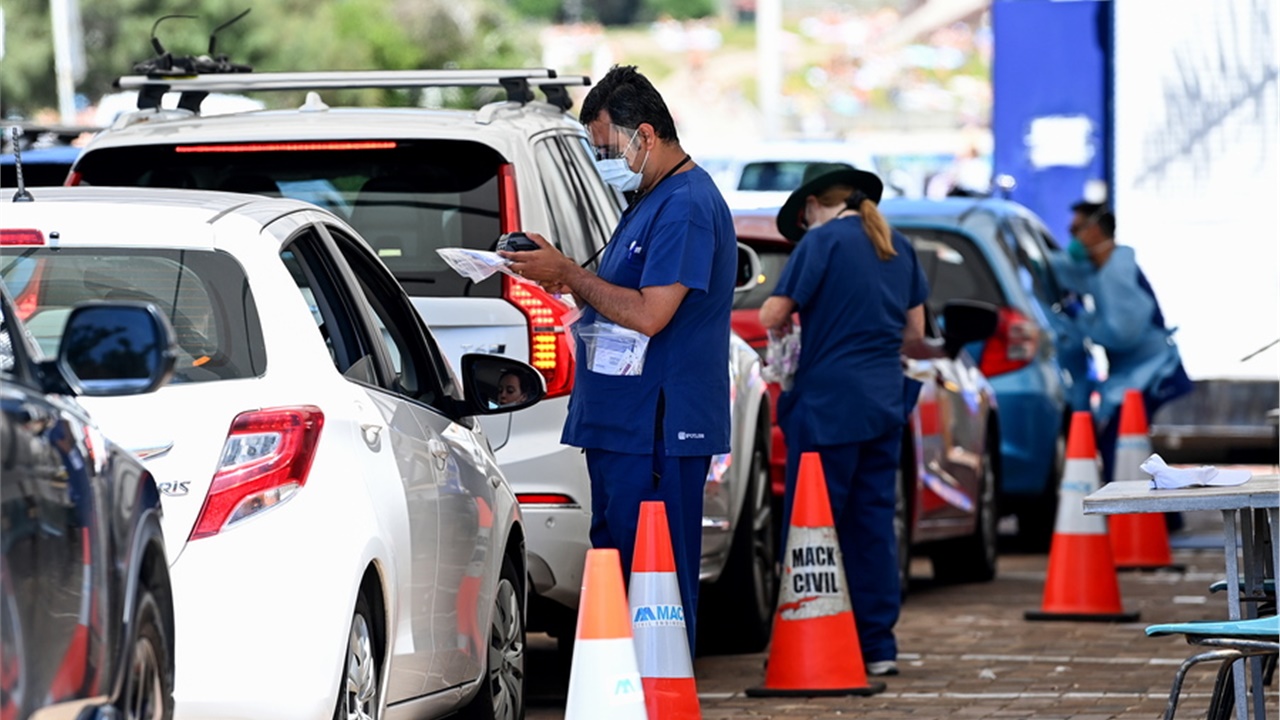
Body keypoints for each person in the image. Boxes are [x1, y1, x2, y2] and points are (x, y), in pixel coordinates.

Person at [500, 64, 736, 654]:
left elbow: (652, 314)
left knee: (654, 578)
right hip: (622, 424)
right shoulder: (650, 199)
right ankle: (627, 694)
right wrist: (566, 279)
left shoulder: (684, 205)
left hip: (657, 427)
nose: (606, 160)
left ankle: (659, 693)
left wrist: (571, 274)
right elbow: (619, 297)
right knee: (619, 572)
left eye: (608, 147)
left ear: (646, 135)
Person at [759, 162, 928, 678]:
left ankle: (810, 633)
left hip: (828, 405)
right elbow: (915, 331)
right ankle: (878, 645)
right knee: (873, 524)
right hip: (883, 403)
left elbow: (770, 314)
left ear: (812, 206)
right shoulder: (896, 244)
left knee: (813, 525)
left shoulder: (822, 241)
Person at [1059, 204, 1193, 497]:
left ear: (1094, 230)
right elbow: (1071, 275)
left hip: (1152, 370)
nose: (1071, 239)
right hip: (1135, 371)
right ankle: (1153, 515)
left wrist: (1080, 322)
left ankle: (1141, 512)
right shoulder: (1104, 268)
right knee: (1127, 443)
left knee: (1122, 442)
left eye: (1075, 230)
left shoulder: (1116, 271)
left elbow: (1122, 334)